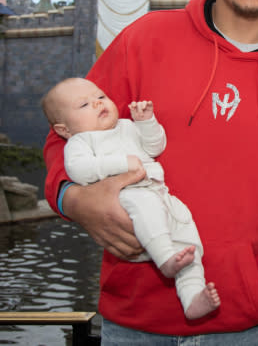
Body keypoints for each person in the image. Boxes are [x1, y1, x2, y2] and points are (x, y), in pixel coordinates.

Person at [43, 0, 258, 344]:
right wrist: (74, 201)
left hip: (249, 326)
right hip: (137, 322)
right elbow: (64, 137)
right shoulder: (146, 40)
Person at [41, 78, 221, 320]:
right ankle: (165, 258)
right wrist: (122, 164)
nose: (97, 104)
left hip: (160, 193)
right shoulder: (80, 142)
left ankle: (192, 297)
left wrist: (146, 123)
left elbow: (155, 147)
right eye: (84, 105)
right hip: (129, 194)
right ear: (64, 130)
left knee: (188, 239)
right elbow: (79, 170)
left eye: (101, 97)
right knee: (147, 209)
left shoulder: (126, 126)